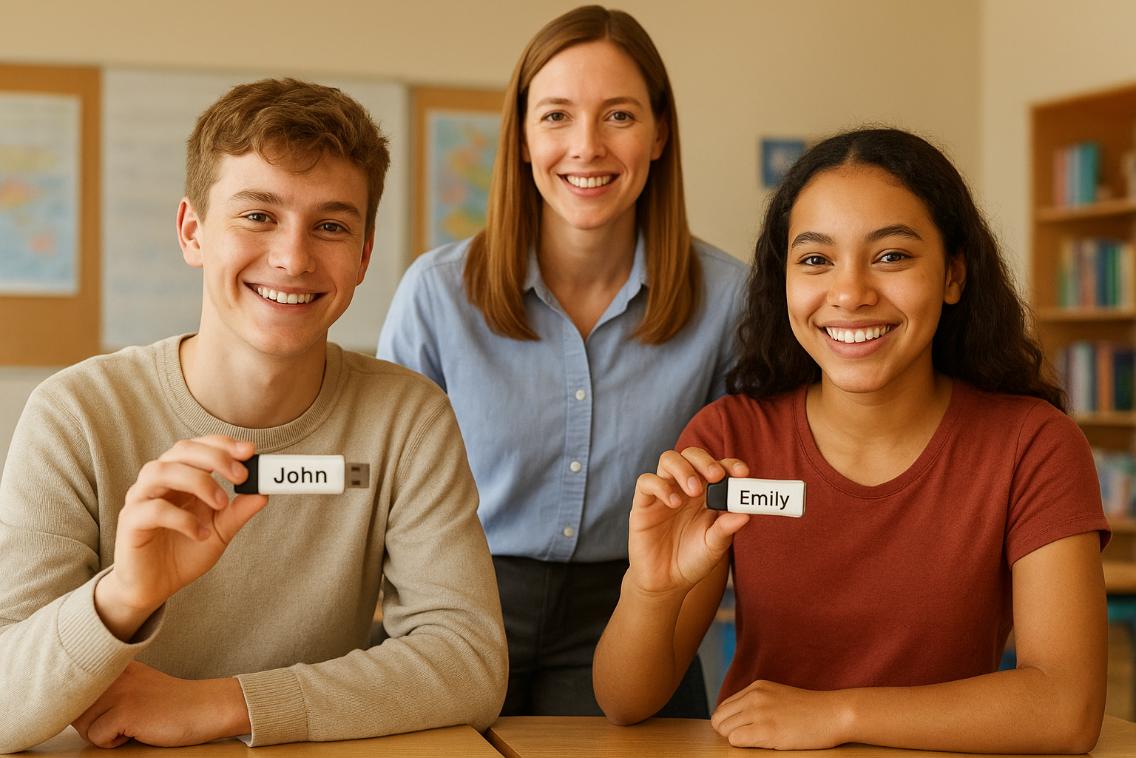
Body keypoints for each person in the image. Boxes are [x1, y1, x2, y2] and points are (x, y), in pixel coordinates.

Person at [0, 78, 506, 752]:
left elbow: (467, 661)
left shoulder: (407, 420)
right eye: (258, 216)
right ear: (192, 231)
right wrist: (122, 596)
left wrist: (221, 705)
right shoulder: (76, 414)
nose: (293, 258)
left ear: (362, 257)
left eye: (330, 225)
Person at [593, 128, 1111, 753]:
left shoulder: (1034, 446)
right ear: (782, 280)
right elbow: (625, 703)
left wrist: (836, 716)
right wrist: (651, 589)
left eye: (892, 256)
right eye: (815, 259)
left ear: (953, 274)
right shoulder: (728, 437)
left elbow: (1066, 708)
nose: (850, 293)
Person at [378, 5, 745, 716]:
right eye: (555, 116)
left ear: (660, 132)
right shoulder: (437, 294)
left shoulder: (730, 297)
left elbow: (737, 488)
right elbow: (389, 487)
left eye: (618, 116)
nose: (586, 146)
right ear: (519, 136)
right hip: (464, 605)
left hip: (641, 606)